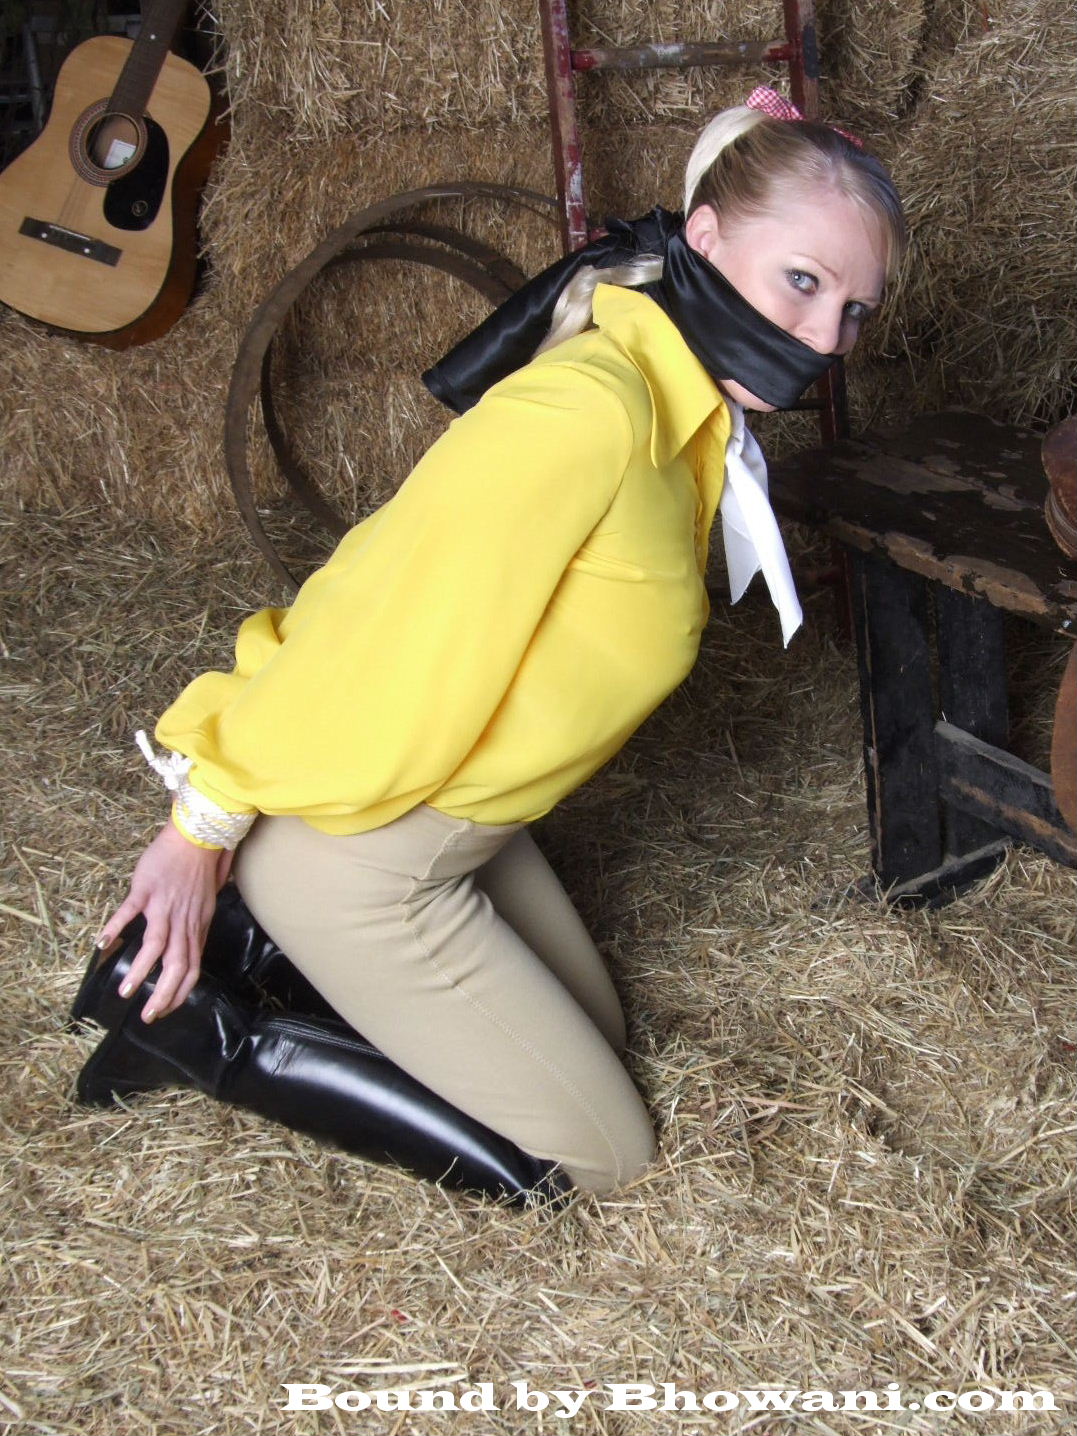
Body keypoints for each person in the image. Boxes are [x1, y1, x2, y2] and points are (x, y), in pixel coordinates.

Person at [72, 90, 906, 1205]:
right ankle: (193, 1030)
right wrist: (202, 822)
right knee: (604, 1155)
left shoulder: (693, 420)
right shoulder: (590, 412)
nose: (824, 339)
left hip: (468, 821)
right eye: (801, 281)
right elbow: (375, 612)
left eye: (854, 310)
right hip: (366, 851)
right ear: (703, 240)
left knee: (602, 1039)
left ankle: (271, 958)